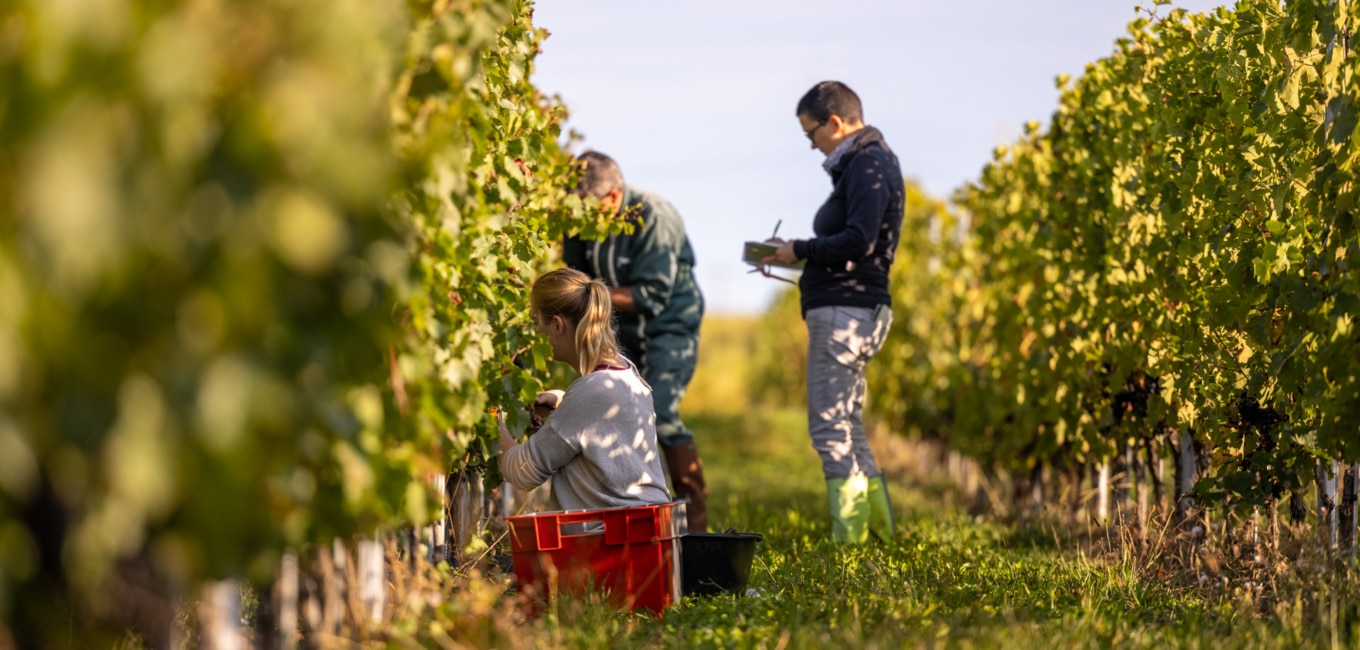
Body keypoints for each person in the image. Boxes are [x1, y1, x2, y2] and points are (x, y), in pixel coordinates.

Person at [764, 81, 905, 544]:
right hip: (852, 308)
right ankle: (879, 534)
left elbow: (859, 240)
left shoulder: (868, 163)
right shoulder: (867, 163)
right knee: (847, 424)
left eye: (812, 133)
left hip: (846, 309)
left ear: (836, 123)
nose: (811, 144)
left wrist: (797, 250)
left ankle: (850, 543)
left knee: (828, 427)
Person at [561, 151, 709, 531]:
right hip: (619, 326)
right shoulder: (580, 217)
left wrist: (588, 296)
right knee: (611, 409)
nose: (580, 222)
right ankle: (629, 520)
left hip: (669, 325)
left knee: (660, 410)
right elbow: (577, 280)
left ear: (612, 198)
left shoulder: (655, 217)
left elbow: (650, 297)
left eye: (588, 211)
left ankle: (693, 525)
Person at [497, 268, 672, 512]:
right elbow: (601, 419)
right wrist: (561, 400)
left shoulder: (594, 391)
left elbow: (521, 471)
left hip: (611, 543)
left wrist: (491, 419)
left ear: (557, 325)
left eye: (537, 323)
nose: (536, 334)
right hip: (642, 532)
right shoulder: (625, 373)